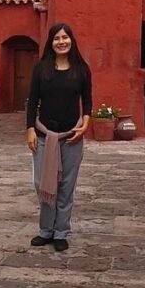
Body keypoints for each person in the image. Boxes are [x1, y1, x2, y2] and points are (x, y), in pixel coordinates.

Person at [26, 23, 92, 252]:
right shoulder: (41, 69)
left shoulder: (81, 69)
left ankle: (61, 231)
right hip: (44, 134)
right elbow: (32, 101)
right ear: (50, 43)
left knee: (66, 185)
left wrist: (85, 125)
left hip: (71, 136)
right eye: (56, 38)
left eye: (65, 38)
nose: (61, 42)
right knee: (41, 183)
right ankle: (46, 230)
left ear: (71, 41)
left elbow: (88, 102)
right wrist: (30, 129)